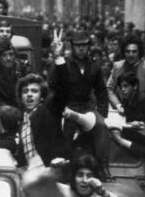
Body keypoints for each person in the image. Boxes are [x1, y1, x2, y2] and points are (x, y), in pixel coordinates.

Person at [48, 30, 111, 181]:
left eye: (84, 45)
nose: (81, 49)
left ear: (89, 46)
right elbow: (52, 87)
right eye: (78, 45)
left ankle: (103, 167)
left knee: (101, 126)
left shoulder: (94, 66)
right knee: (65, 134)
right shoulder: (63, 63)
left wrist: (102, 113)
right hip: (67, 106)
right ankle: (64, 171)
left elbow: (101, 91)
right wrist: (58, 109)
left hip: (86, 106)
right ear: (72, 46)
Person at [107, 35, 145, 113]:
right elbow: (109, 88)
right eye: (127, 51)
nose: (131, 55)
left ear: (140, 52)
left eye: (134, 51)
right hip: (120, 111)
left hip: (142, 112)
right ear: (123, 52)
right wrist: (118, 105)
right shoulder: (117, 67)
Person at [0, 40, 31, 109]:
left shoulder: (25, 69)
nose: (8, 58)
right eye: (4, 55)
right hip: (6, 111)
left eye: (11, 54)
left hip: (25, 106)